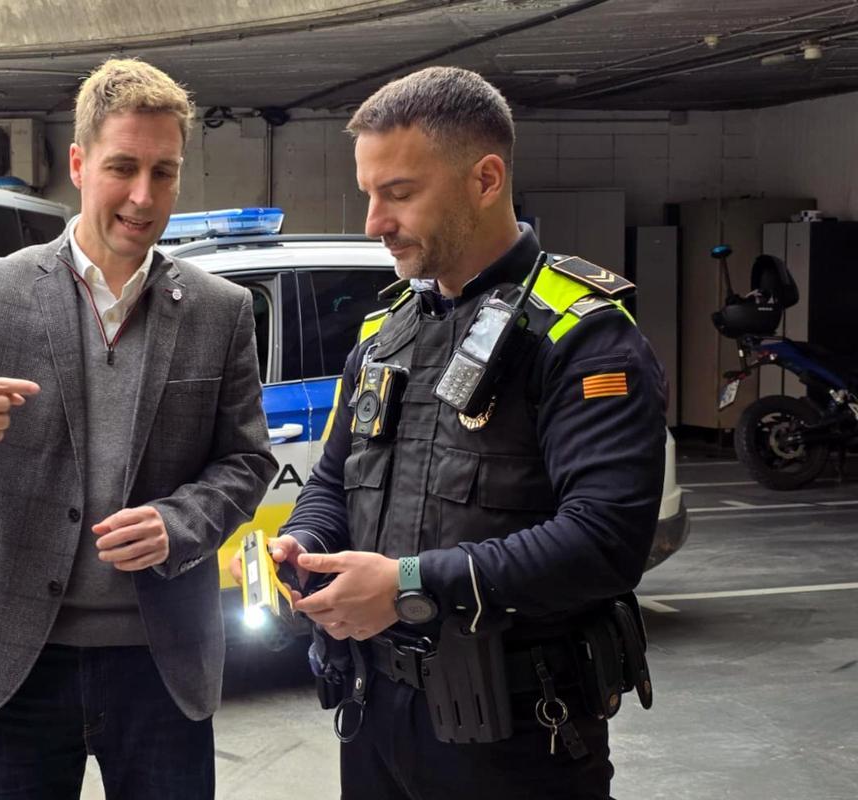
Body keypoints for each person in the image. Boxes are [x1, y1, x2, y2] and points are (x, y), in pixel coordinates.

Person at [251, 66, 666, 799]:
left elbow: (603, 542)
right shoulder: (385, 335)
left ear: (485, 179)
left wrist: (409, 584)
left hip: (517, 738)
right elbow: (332, 483)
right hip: (375, 715)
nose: (375, 221)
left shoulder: (583, 338)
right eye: (369, 194)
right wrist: (308, 546)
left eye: (400, 193)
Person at [0, 57, 277, 800]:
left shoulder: (220, 311)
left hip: (161, 666)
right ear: (78, 161)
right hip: (15, 659)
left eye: (164, 172)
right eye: (123, 167)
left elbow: (247, 461)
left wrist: (179, 521)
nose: (142, 195)